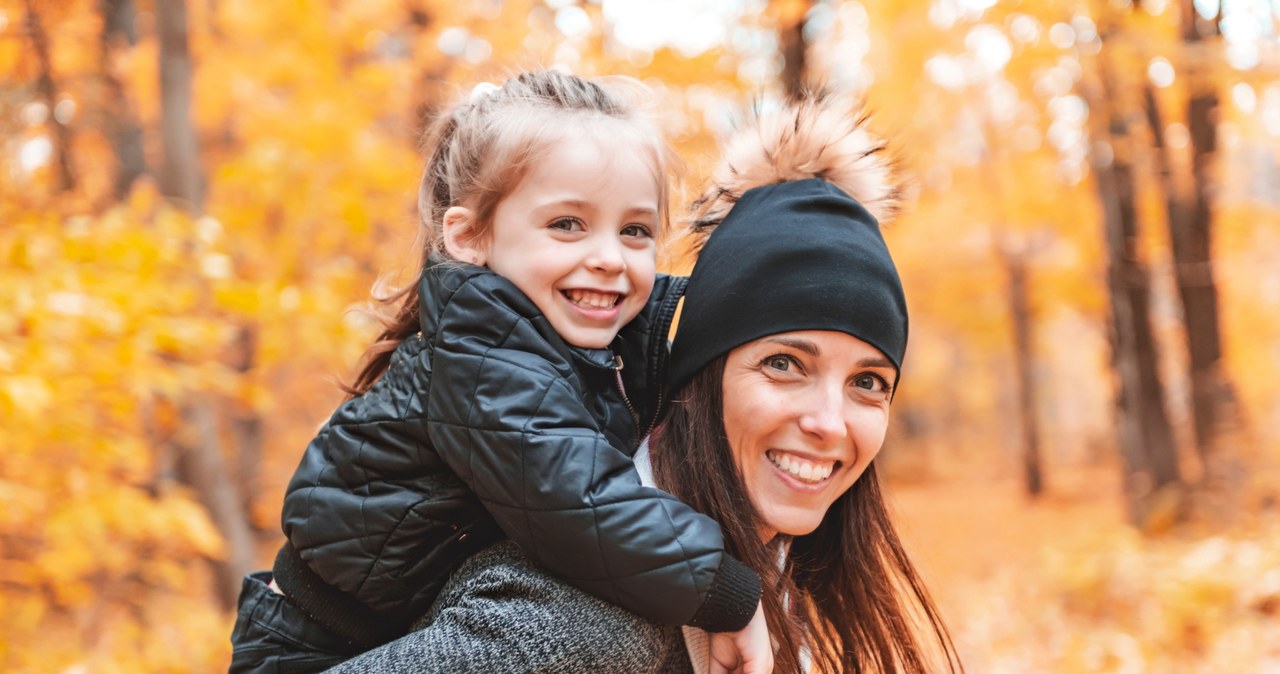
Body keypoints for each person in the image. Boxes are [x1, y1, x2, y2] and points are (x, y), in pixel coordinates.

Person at [321, 94, 965, 673]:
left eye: (869, 382)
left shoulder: (774, 582)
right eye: (783, 364)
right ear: (700, 374)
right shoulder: (591, 624)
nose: (830, 421)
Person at [228, 71, 771, 674]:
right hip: (313, 647)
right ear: (468, 237)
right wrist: (729, 593)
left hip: (402, 628)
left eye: (635, 231)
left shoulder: (577, 346)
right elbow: (579, 502)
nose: (609, 258)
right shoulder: (482, 357)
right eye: (567, 224)